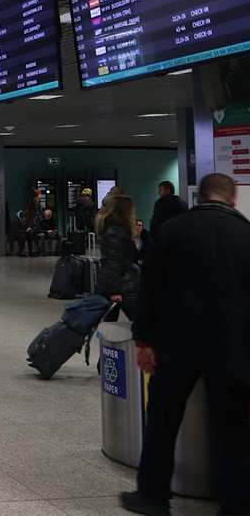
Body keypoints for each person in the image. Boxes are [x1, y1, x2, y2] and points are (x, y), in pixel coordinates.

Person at [120, 173, 250, 516]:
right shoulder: (246, 234)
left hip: (176, 342)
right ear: (233, 199)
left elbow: (150, 290)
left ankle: (153, 496)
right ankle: (236, 505)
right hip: (233, 345)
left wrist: (144, 340)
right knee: (232, 427)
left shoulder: (172, 231)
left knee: (163, 420)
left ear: (198, 197)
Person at [95, 194, 138, 319]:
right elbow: (113, 262)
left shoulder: (115, 230)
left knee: (111, 321)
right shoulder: (117, 232)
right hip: (121, 284)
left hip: (116, 282)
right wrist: (114, 291)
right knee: (138, 320)